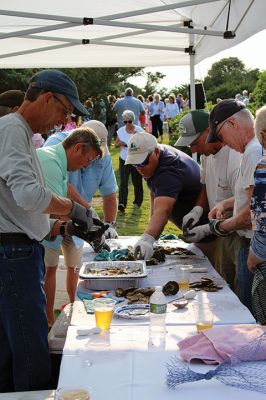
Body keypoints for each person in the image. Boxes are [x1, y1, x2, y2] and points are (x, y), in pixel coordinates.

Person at [0, 69, 104, 392]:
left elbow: (16, 205)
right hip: (14, 256)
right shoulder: (13, 129)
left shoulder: (19, 131)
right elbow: (29, 195)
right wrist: (72, 208)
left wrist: (55, 225)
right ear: (47, 99)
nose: (62, 123)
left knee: (11, 350)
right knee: (31, 352)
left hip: (16, 250)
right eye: (63, 111)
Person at [38, 127, 103, 327]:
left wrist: (87, 212)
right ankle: (48, 322)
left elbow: (64, 191)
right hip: (24, 234)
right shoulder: (50, 162)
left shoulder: (59, 162)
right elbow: (52, 209)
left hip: (43, 226)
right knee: (47, 271)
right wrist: (82, 222)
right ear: (77, 148)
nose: (86, 166)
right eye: (88, 160)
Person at [206, 99, 262, 311]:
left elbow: (254, 213)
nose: (223, 143)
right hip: (250, 244)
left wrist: (221, 227)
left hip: (253, 245)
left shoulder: (253, 152)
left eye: (220, 136)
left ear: (232, 123)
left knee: (250, 317)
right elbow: (248, 197)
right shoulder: (252, 150)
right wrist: (225, 204)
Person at [175, 110, 241, 269]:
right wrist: (197, 210)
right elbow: (206, 184)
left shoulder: (235, 157)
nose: (193, 150)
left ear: (208, 131)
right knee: (223, 281)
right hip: (220, 233)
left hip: (239, 235)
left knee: (238, 290)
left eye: (194, 143)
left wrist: (207, 229)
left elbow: (243, 203)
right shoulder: (206, 155)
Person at [125, 132, 207, 260]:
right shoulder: (155, 160)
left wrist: (148, 238)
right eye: (135, 164)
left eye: (142, 162)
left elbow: (164, 209)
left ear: (156, 152)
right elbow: (155, 193)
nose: (139, 168)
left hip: (206, 230)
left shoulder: (168, 170)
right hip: (195, 230)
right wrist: (151, 233)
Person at [115, 110, 144, 212]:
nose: (127, 124)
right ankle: (122, 203)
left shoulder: (139, 130)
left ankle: (137, 202)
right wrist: (121, 143)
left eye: (129, 122)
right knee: (123, 182)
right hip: (124, 159)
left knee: (137, 182)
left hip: (136, 159)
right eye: (125, 122)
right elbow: (115, 144)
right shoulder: (121, 131)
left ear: (133, 120)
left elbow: (145, 145)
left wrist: (137, 138)